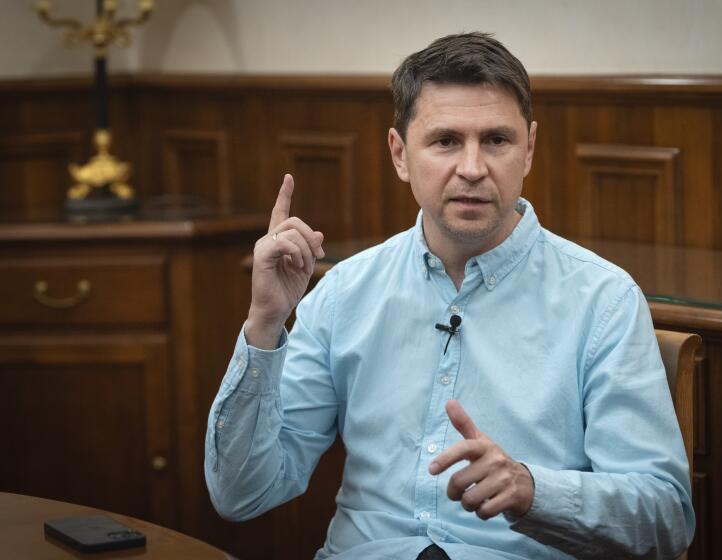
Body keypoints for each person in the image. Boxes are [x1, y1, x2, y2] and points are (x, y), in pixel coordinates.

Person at [205, 32, 694, 560]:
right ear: (399, 153)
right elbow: (242, 493)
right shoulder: (345, 292)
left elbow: (665, 520)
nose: (472, 167)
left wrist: (533, 490)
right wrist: (265, 324)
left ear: (529, 149)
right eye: (445, 141)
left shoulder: (604, 301)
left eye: (496, 141)